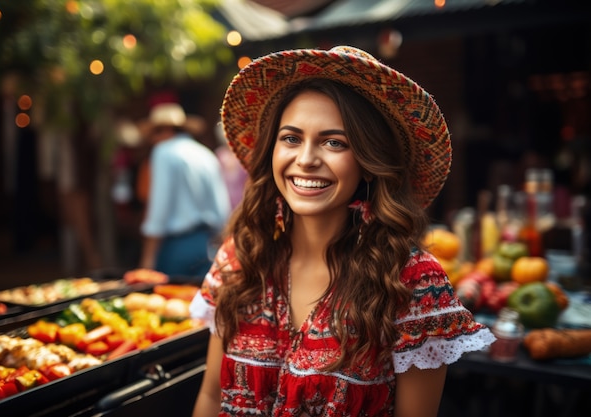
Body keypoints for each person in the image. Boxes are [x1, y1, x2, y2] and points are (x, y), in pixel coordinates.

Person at [190, 46, 495, 417]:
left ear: (369, 163)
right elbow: (209, 396)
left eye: (334, 142)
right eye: (291, 138)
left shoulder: (412, 282)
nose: (306, 159)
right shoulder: (240, 257)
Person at [139, 102, 231, 282]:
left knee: (169, 305)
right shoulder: (205, 154)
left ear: (164, 130)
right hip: (205, 246)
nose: (152, 140)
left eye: (154, 134)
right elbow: (222, 210)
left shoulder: (163, 152)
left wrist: (147, 259)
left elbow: (159, 209)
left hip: (175, 247)